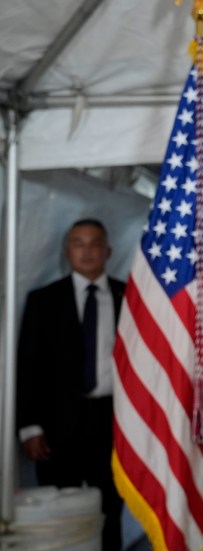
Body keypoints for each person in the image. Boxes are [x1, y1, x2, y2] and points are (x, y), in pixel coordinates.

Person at [16, 218, 125, 551]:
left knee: (110, 509)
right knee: (59, 510)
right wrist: (29, 428)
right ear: (67, 251)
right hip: (56, 423)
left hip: (113, 422)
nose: (87, 250)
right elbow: (27, 366)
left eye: (94, 243)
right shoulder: (43, 300)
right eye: (79, 243)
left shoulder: (130, 297)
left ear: (107, 251)